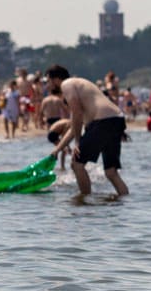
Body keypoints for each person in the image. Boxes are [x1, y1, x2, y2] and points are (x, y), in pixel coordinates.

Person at [48, 65, 130, 198]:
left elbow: (77, 112)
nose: (48, 85)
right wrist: (58, 149)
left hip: (104, 121)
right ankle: (125, 203)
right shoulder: (82, 89)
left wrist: (78, 143)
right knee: (111, 172)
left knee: (76, 164)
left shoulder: (67, 84)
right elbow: (75, 126)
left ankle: (84, 202)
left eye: (49, 81)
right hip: (116, 119)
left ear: (56, 79)